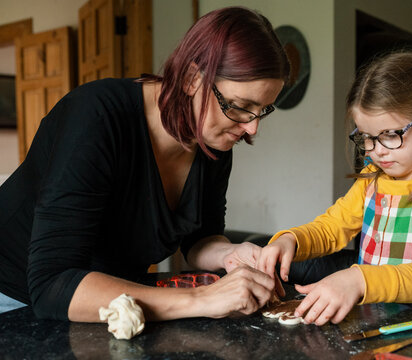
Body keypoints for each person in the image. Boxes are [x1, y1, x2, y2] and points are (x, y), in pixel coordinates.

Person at [0, 6, 289, 321]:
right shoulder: (94, 117)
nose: (251, 127)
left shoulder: (213, 140)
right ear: (193, 78)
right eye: (240, 106)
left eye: (261, 110)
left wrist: (231, 252)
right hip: (14, 296)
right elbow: (52, 286)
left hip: (108, 302)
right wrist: (201, 298)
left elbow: (199, 239)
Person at [257, 52, 412, 325]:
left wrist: (357, 279)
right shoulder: (372, 178)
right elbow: (331, 228)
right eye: (367, 137)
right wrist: (290, 239)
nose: (377, 152)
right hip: (372, 325)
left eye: (390, 135)